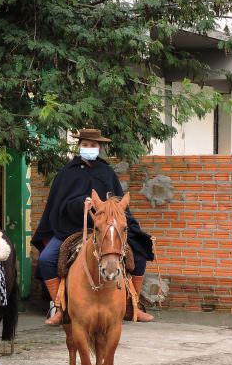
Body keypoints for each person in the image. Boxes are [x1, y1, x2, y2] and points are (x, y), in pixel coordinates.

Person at [32, 127, 156, 326]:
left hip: (106, 229)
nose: (89, 148)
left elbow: (116, 201)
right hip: (70, 228)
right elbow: (58, 205)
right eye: (85, 145)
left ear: (99, 148)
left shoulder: (106, 172)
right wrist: (79, 203)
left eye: (93, 145)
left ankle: (133, 304)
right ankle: (59, 308)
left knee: (139, 253)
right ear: (79, 146)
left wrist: (105, 207)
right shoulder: (66, 174)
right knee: (46, 259)